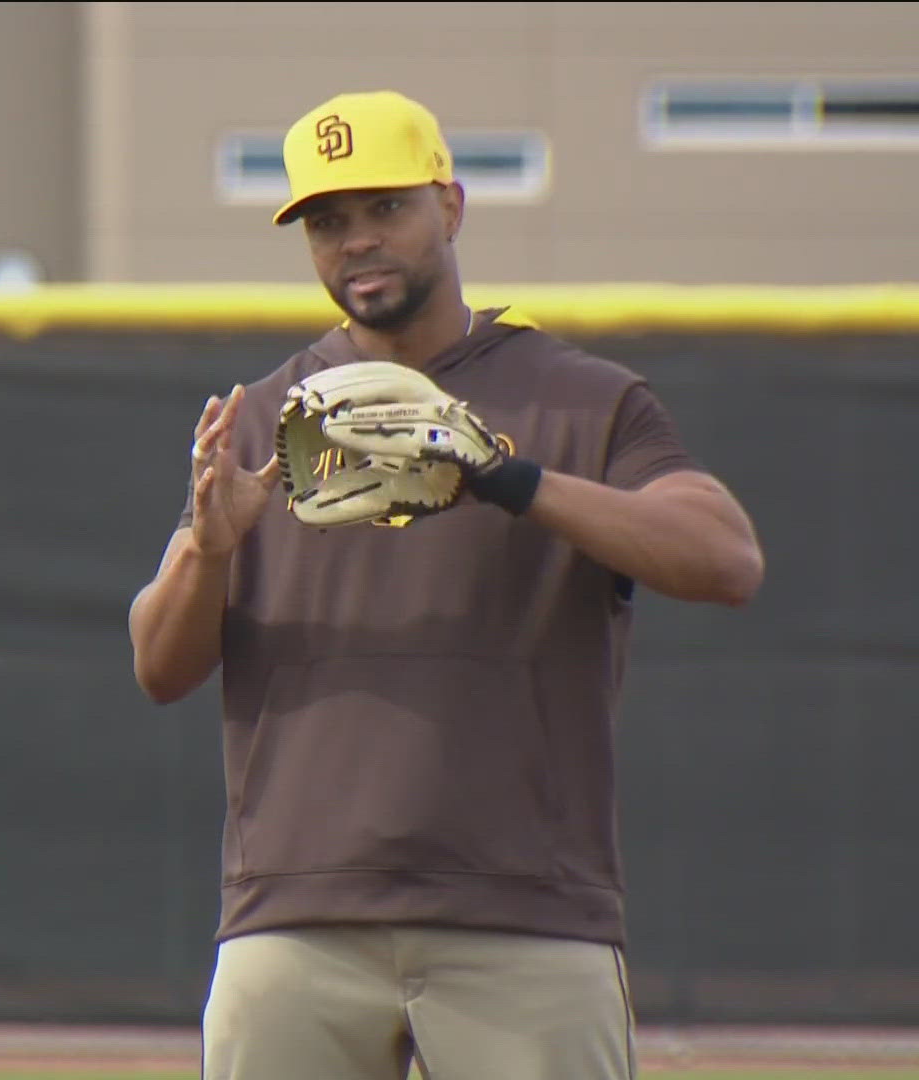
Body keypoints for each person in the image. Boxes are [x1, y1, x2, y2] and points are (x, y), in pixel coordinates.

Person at [127, 90, 764, 1080]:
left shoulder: (580, 397)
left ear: (451, 207)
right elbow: (159, 667)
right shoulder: (264, 419)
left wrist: (507, 477)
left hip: (525, 914)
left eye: (387, 207)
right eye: (327, 222)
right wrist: (210, 552)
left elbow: (726, 560)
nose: (357, 241)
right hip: (296, 915)